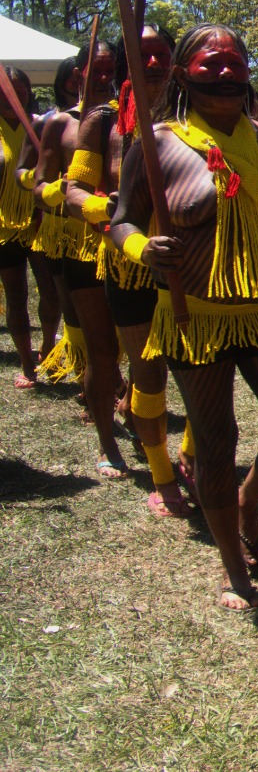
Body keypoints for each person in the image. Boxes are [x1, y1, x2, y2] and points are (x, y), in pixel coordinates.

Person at [111, 24, 258, 609]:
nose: (225, 71)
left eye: (234, 62)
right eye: (210, 63)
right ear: (185, 73)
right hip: (196, 318)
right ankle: (235, 573)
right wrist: (143, 248)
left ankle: (247, 501)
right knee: (215, 442)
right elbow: (120, 221)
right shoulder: (156, 145)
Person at [66, 23, 196, 516]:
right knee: (147, 373)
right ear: (125, 64)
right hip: (129, 266)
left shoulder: (194, 112)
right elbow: (74, 188)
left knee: (198, 375)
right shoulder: (103, 121)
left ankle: (187, 459)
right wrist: (109, 209)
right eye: (143, 55)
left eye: (163, 52)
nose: (155, 63)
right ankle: (156, 474)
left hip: (188, 265)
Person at [30, 38, 129, 477]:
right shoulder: (61, 125)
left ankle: (131, 406)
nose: (102, 74)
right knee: (102, 348)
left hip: (128, 245)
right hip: (80, 246)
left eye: (112, 66)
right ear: (76, 72)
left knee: (143, 347)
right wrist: (66, 194)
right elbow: (37, 182)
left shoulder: (131, 117)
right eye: (95, 66)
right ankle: (108, 444)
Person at [1, 67, 44, 387]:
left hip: (40, 223)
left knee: (54, 294)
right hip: (3, 230)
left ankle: (51, 348)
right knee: (16, 296)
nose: (10, 96)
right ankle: (28, 365)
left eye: (18, 90)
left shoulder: (42, 126)